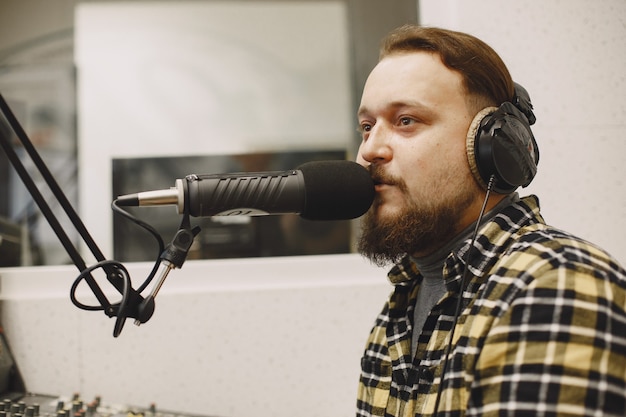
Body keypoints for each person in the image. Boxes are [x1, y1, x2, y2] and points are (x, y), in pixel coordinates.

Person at [354, 24, 626, 417]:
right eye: (367, 126)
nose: (370, 150)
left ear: (491, 146)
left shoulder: (554, 285)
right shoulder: (401, 307)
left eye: (406, 121)